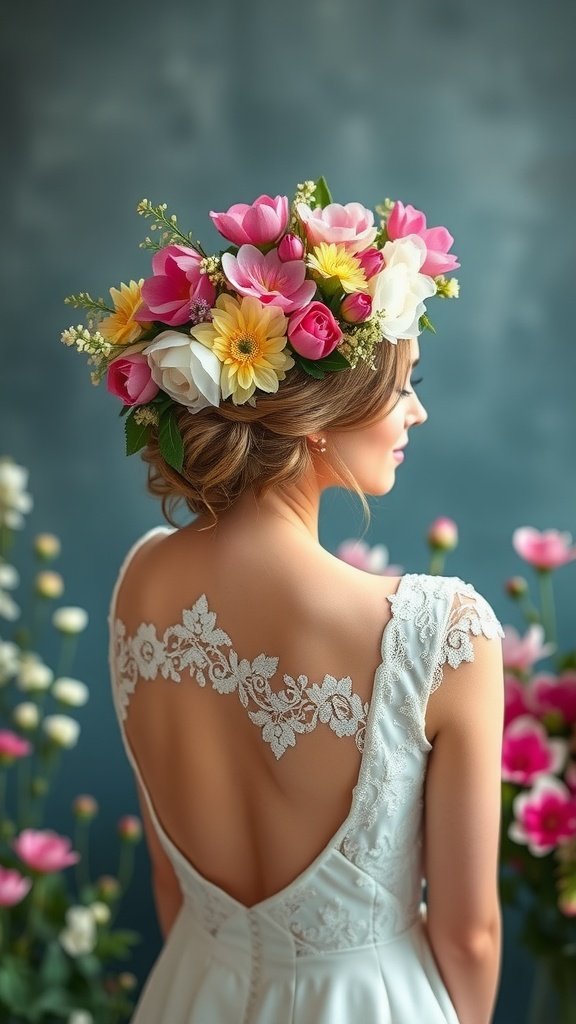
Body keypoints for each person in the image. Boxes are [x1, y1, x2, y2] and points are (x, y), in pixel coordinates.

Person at [66, 180, 505, 1022]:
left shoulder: (141, 581)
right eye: (400, 385)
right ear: (316, 417)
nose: (416, 410)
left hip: (194, 989)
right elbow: (471, 935)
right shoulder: (439, 635)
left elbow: (170, 885)